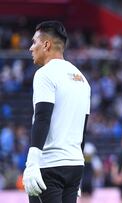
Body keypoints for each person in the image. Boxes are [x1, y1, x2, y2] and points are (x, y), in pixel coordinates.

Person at [22, 21, 91, 203]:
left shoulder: (45, 74)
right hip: (75, 166)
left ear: (46, 45)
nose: (30, 48)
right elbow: (83, 129)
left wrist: (32, 163)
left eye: (34, 42)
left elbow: (43, 118)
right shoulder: (82, 80)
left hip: (50, 167)